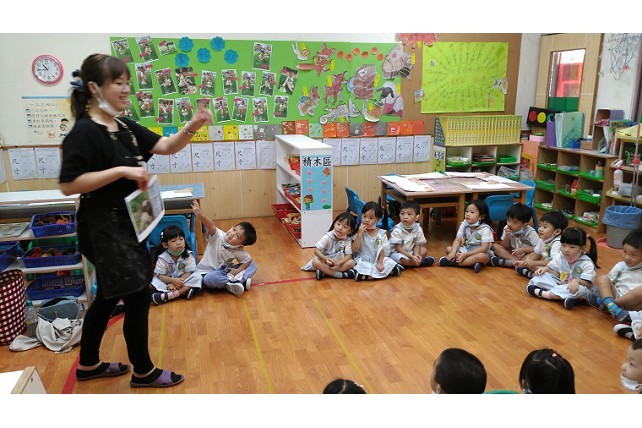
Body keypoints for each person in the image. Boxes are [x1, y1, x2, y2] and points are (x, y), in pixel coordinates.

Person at [60, 53, 212, 388]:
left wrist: (194, 124)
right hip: (103, 230)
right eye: (118, 82)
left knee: (108, 295)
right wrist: (121, 170)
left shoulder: (124, 126)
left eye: (127, 82)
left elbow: (165, 145)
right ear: (94, 88)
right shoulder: (85, 132)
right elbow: (69, 184)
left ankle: (88, 364)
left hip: (129, 226)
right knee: (138, 295)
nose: (126, 89)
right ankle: (143, 371)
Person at [192, 200, 257, 295]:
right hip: (207, 272)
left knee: (253, 265)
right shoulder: (218, 235)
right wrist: (201, 216)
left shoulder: (237, 250)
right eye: (234, 229)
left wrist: (237, 270)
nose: (232, 234)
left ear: (240, 245)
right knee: (208, 279)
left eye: (237, 236)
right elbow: (211, 226)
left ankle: (235, 281)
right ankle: (237, 282)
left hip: (224, 272)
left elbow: (248, 260)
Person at [585, 229, 642, 338]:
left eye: (633, 255)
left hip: (634, 306)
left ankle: (607, 305)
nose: (627, 257)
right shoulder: (621, 267)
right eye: (624, 252)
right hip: (618, 296)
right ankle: (612, 307)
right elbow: (608, 284)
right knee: (602, 278)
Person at [525, 227, 598, 309]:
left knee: (581, 290)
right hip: (561, 284)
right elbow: (556, 273)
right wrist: (546, 269)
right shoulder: (560, 256)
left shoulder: (586, 263)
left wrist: (576, 281)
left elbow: (588, 283)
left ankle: (545, 294)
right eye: (563, 245)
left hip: (576, 288)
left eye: (572, 247)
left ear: (582, 248)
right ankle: (565, 297)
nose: (566, 250)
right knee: (542, 276)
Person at [150, 225, 202, 305]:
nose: (178, 243)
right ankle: (185, 291)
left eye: (181, 239)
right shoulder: (162, 258)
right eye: (173, 241)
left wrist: (178, 282)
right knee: (153, 281)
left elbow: (188, 272)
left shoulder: (188, 255)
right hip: (167, 281)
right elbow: (161, 276)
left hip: (183, 279)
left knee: (198, 276)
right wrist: (172, 281)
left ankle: (171, 295)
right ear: (165, 245)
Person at [438, 199, 493, 273]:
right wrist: (453, 252)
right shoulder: (464, 224)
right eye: (467, 211)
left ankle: (453, 263)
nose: (468, 214)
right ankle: (471, 264)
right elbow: (458, 240)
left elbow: (484, 249)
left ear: (481, 217)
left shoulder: (485, 229)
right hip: (467, 250)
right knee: (449, 249)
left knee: (483, 257)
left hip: (478, 253)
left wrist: (466, 255)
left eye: (472, 212)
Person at [352, 201, 400, 281]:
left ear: (378, 220)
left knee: (388, 261)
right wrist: (359, 234)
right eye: (364, 216)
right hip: (364, 259)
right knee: (359, 264)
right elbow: (354, 249)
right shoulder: (359, 232)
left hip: (379, 259)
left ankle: (367, 275)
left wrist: (380, 262)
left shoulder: (381, 233)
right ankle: (388, 272)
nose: (366, 220)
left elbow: (383, 250)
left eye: (371, 218)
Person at [301, 212, 357, 280]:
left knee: (351, 262)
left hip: (337, 263)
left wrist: (338, 263)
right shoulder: (327, 236)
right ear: (334, 223)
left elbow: (349, 256)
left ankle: (325, 272)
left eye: (345, 227)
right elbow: (316, 251)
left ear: (350, 231)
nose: (340, 228)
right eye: (338, 224)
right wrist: (325, 259)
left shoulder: (347, 240)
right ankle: (338, 275)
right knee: (315, 262)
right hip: (325, 261)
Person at [514, 211, 568, 278]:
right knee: (527, 260)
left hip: (557, 271)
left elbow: (553, 262)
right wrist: (527, 261)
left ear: (557, 231)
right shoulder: (543, 238)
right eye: (540, 226)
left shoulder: (557, 242)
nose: (540, 229)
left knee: (543, 270)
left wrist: (533, 263)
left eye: (545, 227)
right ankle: (532, 274)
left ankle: (531, 274)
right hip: (546, 266)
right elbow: (536, 253)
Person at [490, 203, 540, 268]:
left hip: (525, 255)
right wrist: (507, 237)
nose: (510, 224)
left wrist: (524, 250)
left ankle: (508, 262)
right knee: (494, 246)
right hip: (512, 254)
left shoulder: (531, 232)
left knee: (536, 255)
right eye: (508, 220)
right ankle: (516, 262)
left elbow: (538, 248)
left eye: (515, 222)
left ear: (525, 224)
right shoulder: (507, 228)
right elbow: (504, 247)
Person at [389, 200, 436, 269]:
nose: (405, 217)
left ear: (417, 217)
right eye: (402, 213)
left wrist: (416, 255)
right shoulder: (397, 230)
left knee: (424, 250)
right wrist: (411, 257)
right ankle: (416, 263)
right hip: (397, 253)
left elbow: (417, 244)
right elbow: (398, 248)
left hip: (410, 252)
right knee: (402, 259)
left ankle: (411, 263)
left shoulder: (418, 229)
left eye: (409, 214)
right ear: (399, 215)